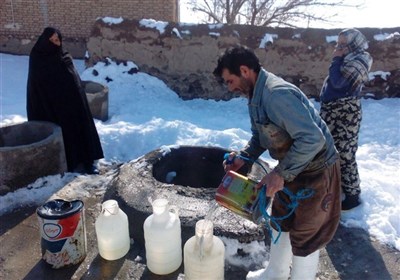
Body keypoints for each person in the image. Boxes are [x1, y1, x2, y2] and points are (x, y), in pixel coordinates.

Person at [214, 45, 341, 279]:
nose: (230, 88)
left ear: (244, 70)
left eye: (230, 80)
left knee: (306, 235)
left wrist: (280, 173)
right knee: (281, 221)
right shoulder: (256, 95)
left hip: (317, 172)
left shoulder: (276, 95)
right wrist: (244, 158)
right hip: (291, 167)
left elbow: (313, 139)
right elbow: (261, 135)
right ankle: (276, 273)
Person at [27, 27, 104, 174]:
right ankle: (69, 163)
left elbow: (74, 79)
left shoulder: (64, 56)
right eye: (52, 40)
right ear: (45, 40)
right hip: (53, 107)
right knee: (65, 136)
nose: (56, 44)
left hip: (73, 105)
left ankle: (87, 161)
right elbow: (37, 86)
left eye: (58, 40)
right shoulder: (38, 57)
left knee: (80, 132)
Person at [320, 28, 373, 211]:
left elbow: (338, 83)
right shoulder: (347, 58)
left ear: (353, 44)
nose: (339, 47)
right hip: (331, 109)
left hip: (346, 112)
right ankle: (333, 185)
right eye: (338, 43)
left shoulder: (360, 60)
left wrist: (336, 59)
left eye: (344, 44)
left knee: (345, 152)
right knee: (326, 147)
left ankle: (352, 195)